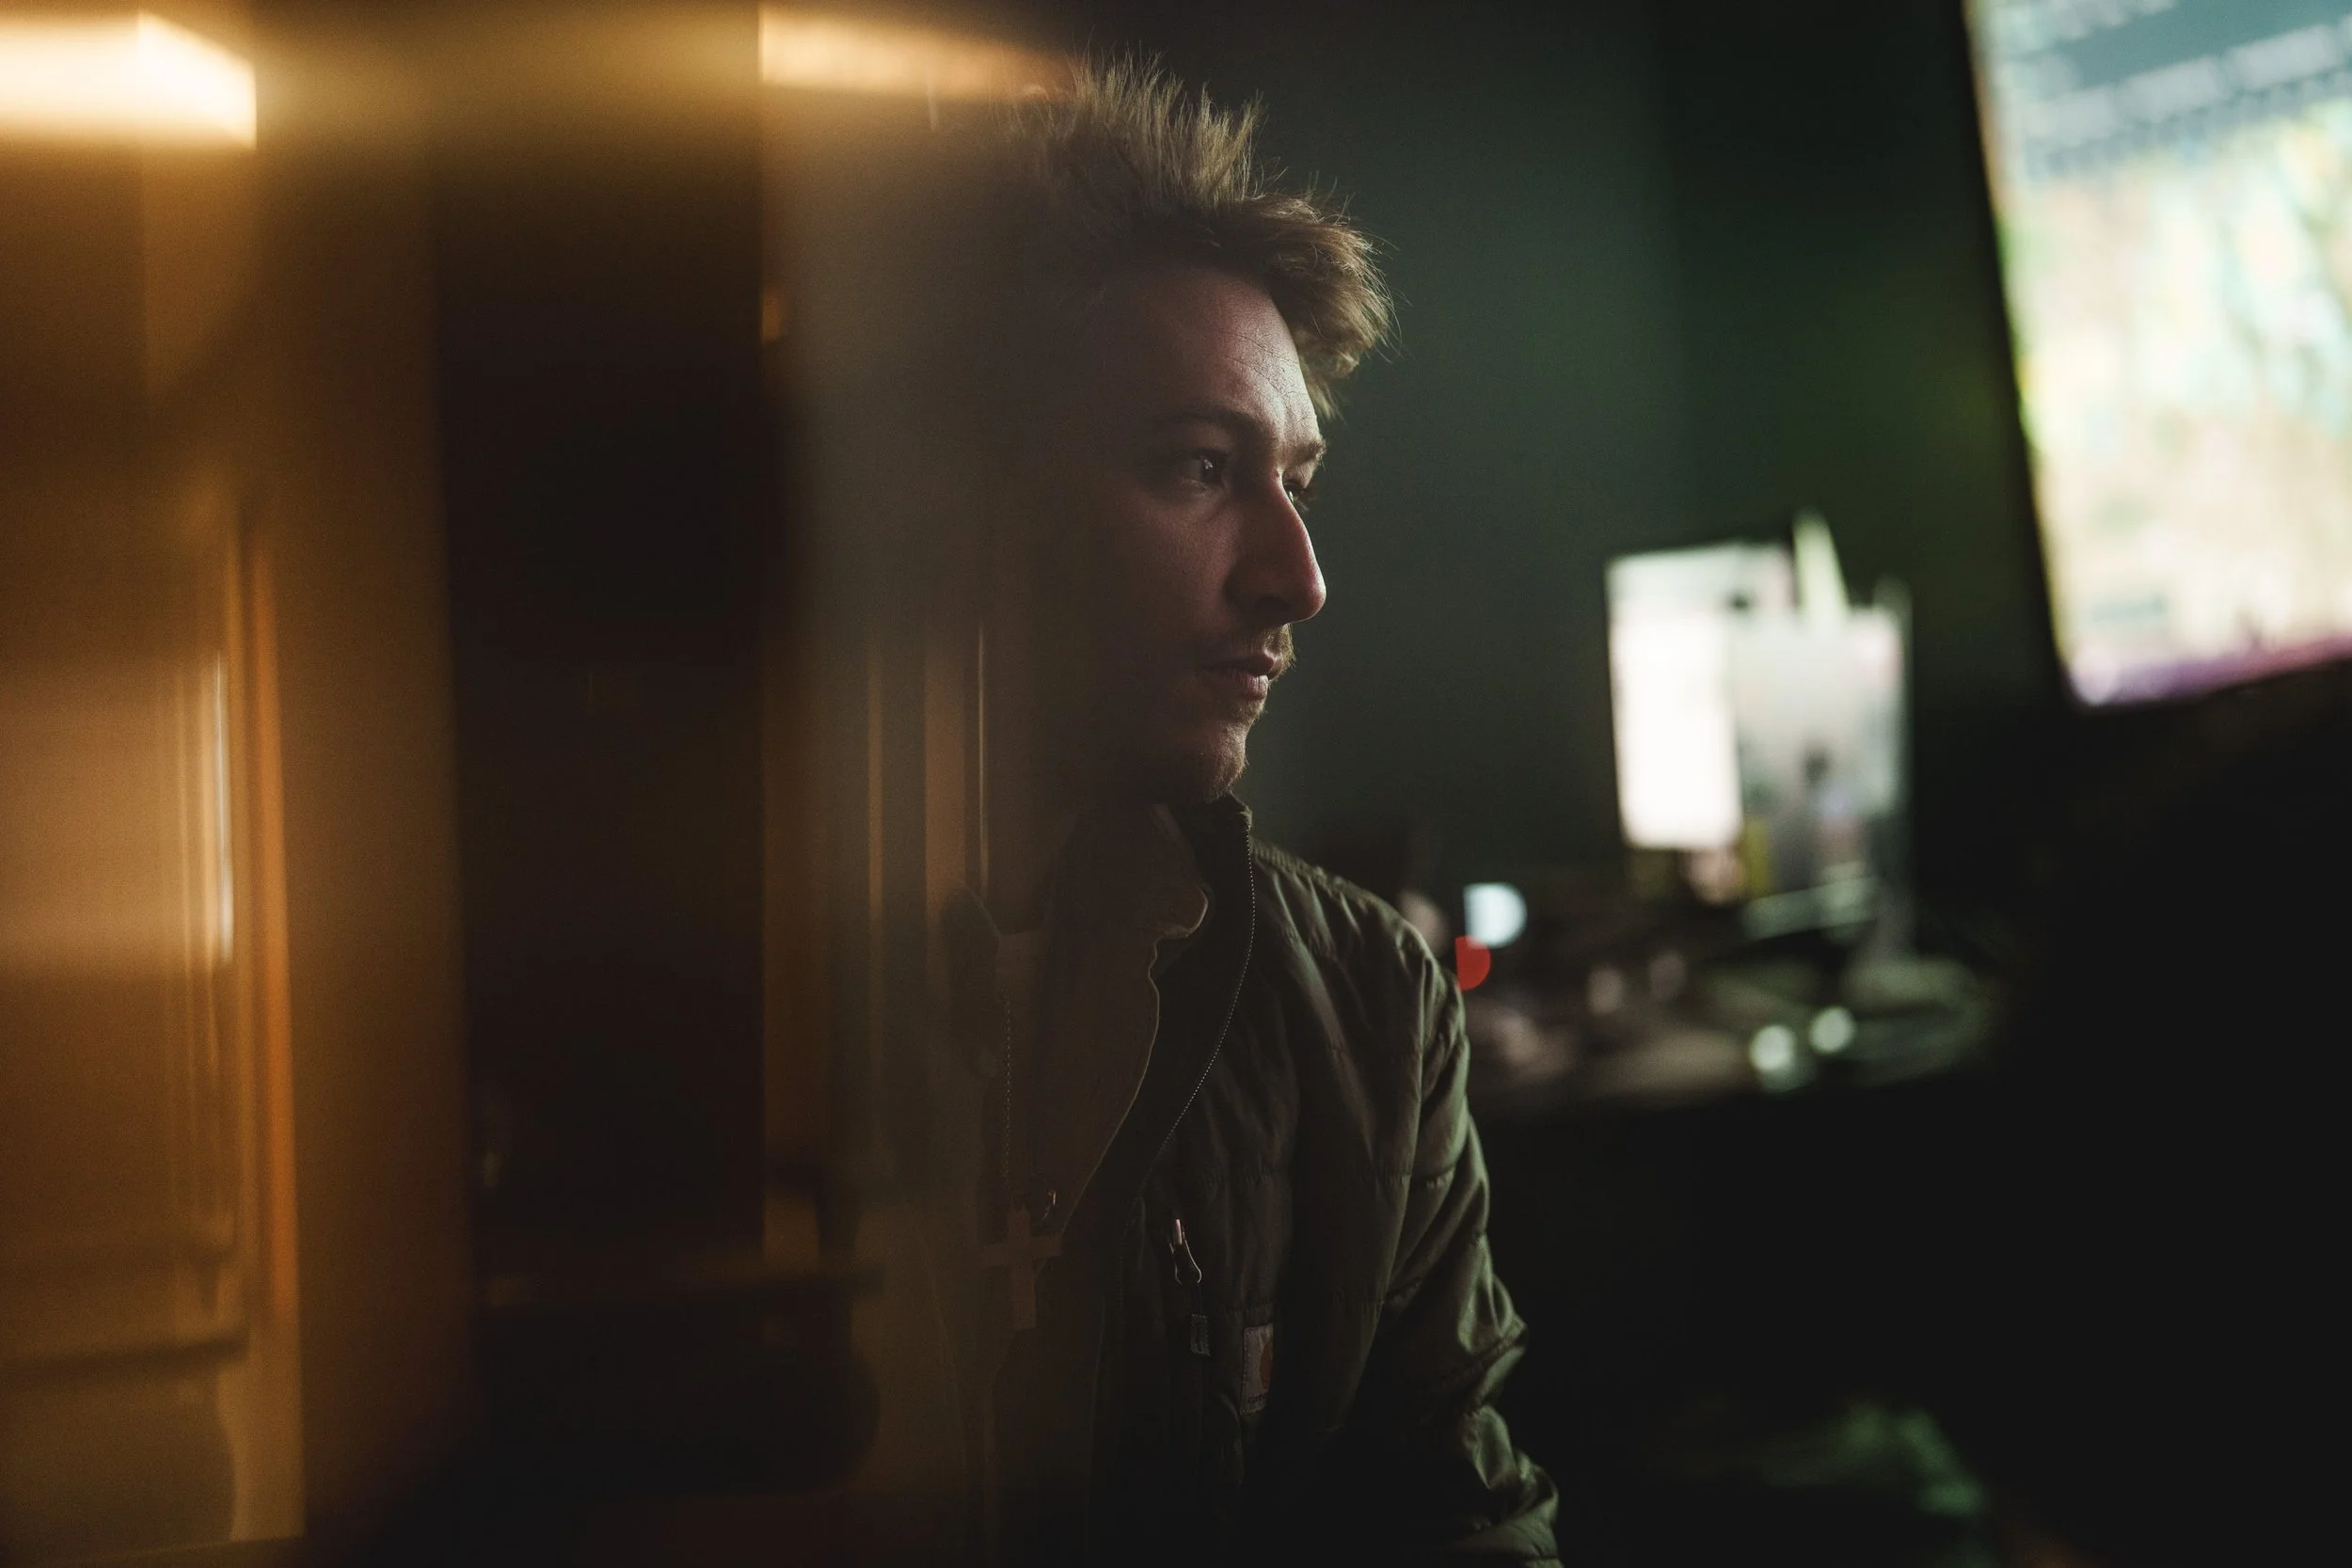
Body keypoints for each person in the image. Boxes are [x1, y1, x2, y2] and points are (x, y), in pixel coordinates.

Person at [901, 61, 1561, 1567]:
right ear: (964, 510)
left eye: (1297, 479)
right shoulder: (742, 1017)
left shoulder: (1371, 1008)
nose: (1297, 574)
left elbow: (1458, 1525)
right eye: (1201, 468)